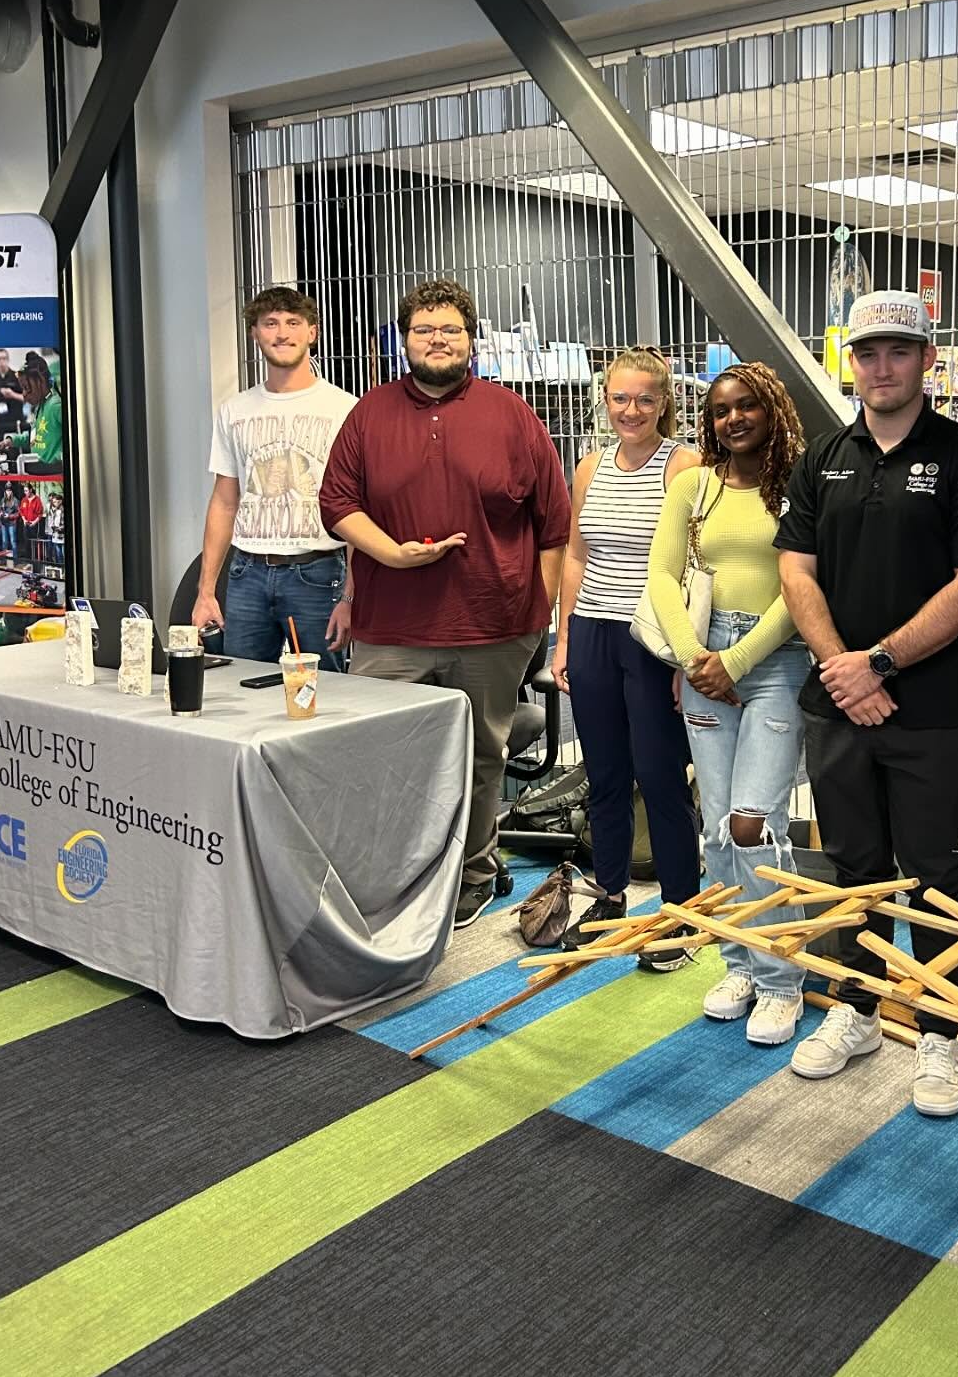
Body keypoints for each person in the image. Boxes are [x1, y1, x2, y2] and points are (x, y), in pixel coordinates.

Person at [776, 291, 958, 1114]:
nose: (882, 368)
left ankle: (944, 1033)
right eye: (868, 353)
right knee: (854, 867)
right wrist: (841, 666)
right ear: (852, 361)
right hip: (835, 701)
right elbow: (796, 570)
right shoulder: (823, 456)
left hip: (934, 707)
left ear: (928, 359)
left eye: (900, 352)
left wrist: (877, 662)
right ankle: (860, 1010)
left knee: (935, 872)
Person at [320, 278, 571, 928]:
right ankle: (393, 882)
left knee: (484, 760)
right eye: (424, 329)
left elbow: (553, 524)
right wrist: (393, 555)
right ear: (403, 340)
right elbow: (337, 504)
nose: (437, 340)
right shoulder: (369, 414)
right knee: (383, 760)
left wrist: (538, 611)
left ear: (470, 339)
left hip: (492, 628)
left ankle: (473, 879)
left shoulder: (511, 414)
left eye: (450, 330)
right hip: (392, 629)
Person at [645, 362, 810, 1044]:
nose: (733, 419)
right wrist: (695, 658)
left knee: (754, 823)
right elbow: (661, 572)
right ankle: (737, 960)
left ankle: (781, 981)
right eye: (719, 410)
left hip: (775, 664)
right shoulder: (694, 485)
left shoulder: (799, 486)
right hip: (704, 652)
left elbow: (802, 587)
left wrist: (735, 662)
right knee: (717, 826)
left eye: (747, 406)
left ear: (773, 410)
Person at [553, 348, 700, 965]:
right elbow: (575, 555)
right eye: (620, 398)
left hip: (651, 639)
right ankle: (610, 894)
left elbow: (694, 564)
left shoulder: (683, 464)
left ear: (664, 403)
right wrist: (563, 637)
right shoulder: (589, 467)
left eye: (644, 399)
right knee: (605, 773)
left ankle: (680, 912)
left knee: (661, 775)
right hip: (592, 630)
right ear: (604, 400)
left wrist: (685, 657)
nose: (630, 410)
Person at [195, 287, 357, 670]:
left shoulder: (345, 409)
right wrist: (206, 591)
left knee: (326, 692)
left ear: (312, 332)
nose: (282, 333)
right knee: (243, 689)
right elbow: (224, 500)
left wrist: (351, 597)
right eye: (270, 324)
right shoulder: (234, 410)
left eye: (292, 323)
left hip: (318, 571)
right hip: (246, 572)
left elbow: (357, 508)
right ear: (255, 333)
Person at [5, 361, 63, 469]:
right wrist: (12, 440)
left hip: (54, 476)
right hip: (41, 474)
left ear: (39, 382)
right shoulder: (40, 406)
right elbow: (35, 437)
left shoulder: (56, 406)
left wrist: (57, 460)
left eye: (27, 388)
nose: (24, 394)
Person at [18, 485, 44, 568]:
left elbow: (40, 514)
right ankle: (28, 562)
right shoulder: (24, 500)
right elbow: (21, 511)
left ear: (31, 490)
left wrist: (35, 522)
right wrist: (24, 520)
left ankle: (36, 563)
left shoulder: (37, 500)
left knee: (34, 543)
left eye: (26, 490)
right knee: (27, 543)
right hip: (26, 524)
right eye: (24, 491)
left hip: (34, 525)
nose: (25, 492)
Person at [0, 484, 21, 559]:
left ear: (12, 492)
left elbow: (18, 513)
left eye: (9, 491)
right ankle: (4, 559)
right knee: (4, 542)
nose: (8, 492)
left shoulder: (15, 500)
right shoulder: (3, 500)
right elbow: (0, 510)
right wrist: (0, 513)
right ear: (5, 491)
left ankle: (15, 559)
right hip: (4, 523)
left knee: (13, 541)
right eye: (7, 491)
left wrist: (10, 516)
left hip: (12, 523)